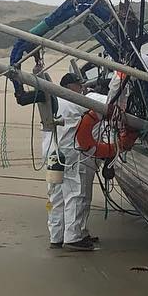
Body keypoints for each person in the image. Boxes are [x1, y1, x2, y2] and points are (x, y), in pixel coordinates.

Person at [12, 62, 66, 250]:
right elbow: (21, 99)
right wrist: (16, 79)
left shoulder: (47, 94)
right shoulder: (46, 93)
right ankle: (57, 235)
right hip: (53, 147)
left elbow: (21, 97)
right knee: (55, 190)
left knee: (56, 191)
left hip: (53, 143)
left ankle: (61, 232)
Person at [57, 74, 100, 252]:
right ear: (69, 87)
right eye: (78, 85)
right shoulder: (72, 101)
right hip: (74, 155)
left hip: (59, 153)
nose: (81, 88)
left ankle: (69, 234)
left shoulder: (55, 100)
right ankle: (73, 238)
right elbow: (100, 103)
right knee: (77, 194)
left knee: (61, 196)